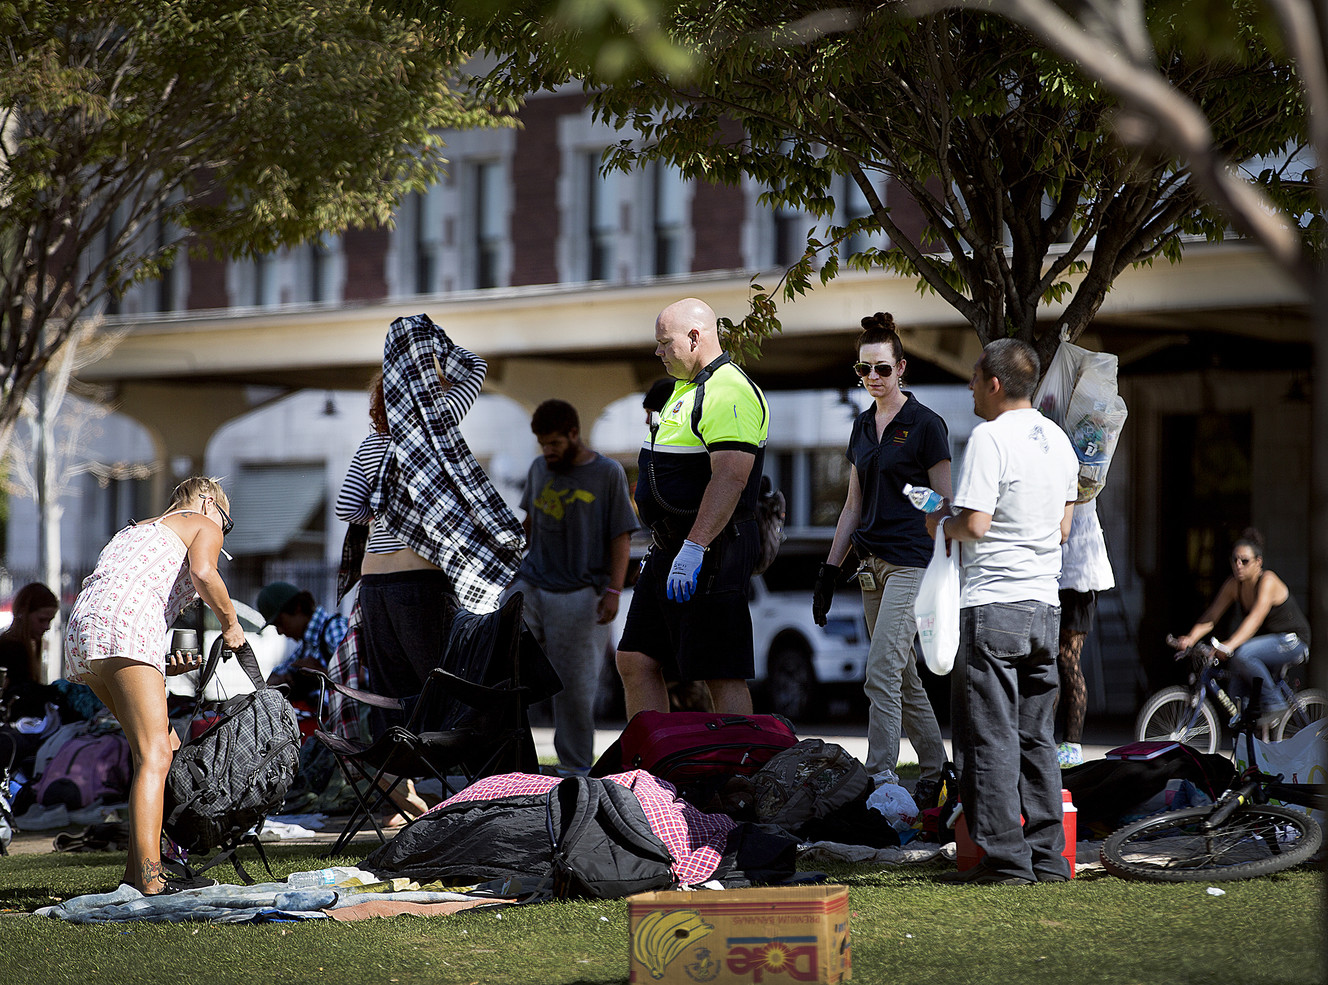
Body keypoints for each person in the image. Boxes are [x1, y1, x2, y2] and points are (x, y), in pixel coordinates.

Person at [926, 339, 1078, 886]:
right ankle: (1047, 858)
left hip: (993, 605)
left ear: (993, 383)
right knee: (1036, 737)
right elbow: (1062, 529)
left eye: (972, 378)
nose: (968, 387)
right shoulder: (1060, 441)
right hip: (1045, 605)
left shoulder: (989, 439)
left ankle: (1006, 862)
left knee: (989, 735)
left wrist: (940, 524)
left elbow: (976, 525)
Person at [63, 476, 245, 895]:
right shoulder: (203, 521)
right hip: (125, 629)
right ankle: (150, 879)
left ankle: (137, 873)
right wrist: (231, 625)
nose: (223, 530)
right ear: (206, 502)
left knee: (160, 748)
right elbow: (203, 572)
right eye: (226, 520)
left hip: (84, 631)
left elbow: (120, 597)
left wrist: (163, 666)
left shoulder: (134, 530)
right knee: (156, 754)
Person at [335, 314, 524, 704]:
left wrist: (382, 511)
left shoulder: (375, 444)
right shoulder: (438, 426)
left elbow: (346, 507)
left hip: (373, 586)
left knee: (391, 696)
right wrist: (435, 344)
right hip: (421, 582)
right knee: (446, 687)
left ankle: (399, 766)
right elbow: (476, 368)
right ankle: (449, 766)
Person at [812, 312, 950, 803]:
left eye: (883, 369)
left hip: (914, 562)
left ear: (902, 368)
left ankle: (879, 779)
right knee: (903, 675)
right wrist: (829, 570)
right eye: (864, 369)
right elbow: (852, 505)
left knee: (880, 672)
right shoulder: (862, 427)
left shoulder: (926, 424)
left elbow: (947, 503)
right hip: (870, 565)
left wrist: (919, 496)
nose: (873, 378)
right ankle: (936, 770)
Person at [616, 297, 769, 717]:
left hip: (712, 547)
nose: (658, 351)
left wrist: (695, 548)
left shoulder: (728, 390)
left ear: (695, 337)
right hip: (670, 545)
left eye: (665, 343)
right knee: (635, 658)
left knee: (720, 672)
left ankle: (738, 775)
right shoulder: (686, 389)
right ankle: (651, 771)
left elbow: (730, 477)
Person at [508, 399, 636, 774]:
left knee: (574, 690)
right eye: (542, 444)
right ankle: (502, 759)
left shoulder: (607, 473)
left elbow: (621, 538)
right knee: (495, 657)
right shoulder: (538, 469)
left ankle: (575, 771)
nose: (547, 451)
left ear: (573, 434)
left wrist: (612, 592)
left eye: (554, 443)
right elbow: (528, 525)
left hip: (580, 594)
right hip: (531, 584)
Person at [1172, 527, 1310, 726]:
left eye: (1244, 561)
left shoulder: (1268, 580)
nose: (1238, 565)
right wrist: (1190, 638)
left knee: (1243, 654)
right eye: (1234, 560)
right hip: (1266, 644)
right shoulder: (1234, 585)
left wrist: (1227, 645)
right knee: (1237, 689)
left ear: (1258, 562)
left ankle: (1275, 704)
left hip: (1293, 641)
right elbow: (1212, 615)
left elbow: (1255, 619)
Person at [1054, 499, 1115, 767]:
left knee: (1068, 660)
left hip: (1079, 569)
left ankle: (1072, 743)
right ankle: (1043, 738)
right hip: (1052, 568)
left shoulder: (1085, 459)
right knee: (1050, 659)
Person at [256, 581, 349, 699]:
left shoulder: (333, 628)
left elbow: (358, 675)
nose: (280, 631)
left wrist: (319, 673)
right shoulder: (307, 644)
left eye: (280, 623)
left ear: (297, 608)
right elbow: (273, 678)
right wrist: (284, 678)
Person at [0, 582, 59, 715]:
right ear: (23, 614)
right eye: (42, 620)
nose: (47, 627)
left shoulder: (19, 645)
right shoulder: (10, 648)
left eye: (50, 620)